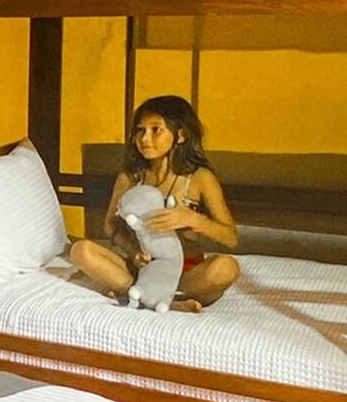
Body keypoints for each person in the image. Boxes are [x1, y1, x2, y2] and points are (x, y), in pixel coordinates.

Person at [67, 95, 240, 310]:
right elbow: (111, 225)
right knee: (81, 250)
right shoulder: (130, 177)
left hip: (185, 273)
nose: (145, 138)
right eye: (140, 130)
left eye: (156, 130)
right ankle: (161, 300)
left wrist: (193, 219)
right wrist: (133, 251)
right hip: (142, 268)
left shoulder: (199, 178)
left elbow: (230, 238)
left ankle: (143, 295)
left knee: (227, 267)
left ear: (181, 136)